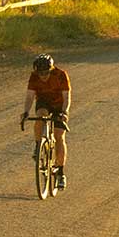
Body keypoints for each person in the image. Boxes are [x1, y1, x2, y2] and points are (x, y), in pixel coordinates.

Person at [24, 53, 72, 190]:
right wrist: (26, 112)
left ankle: (61, 172)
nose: (43, 76)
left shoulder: (61, 75)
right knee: (40, 116)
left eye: (46, 73)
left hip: (59, 104)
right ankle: (38, 145)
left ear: (51, 70)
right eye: (40, 73)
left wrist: (64, 112)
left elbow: (66, 97)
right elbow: (30, 96)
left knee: (59, 136)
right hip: (44, 102)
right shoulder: (34, 77)